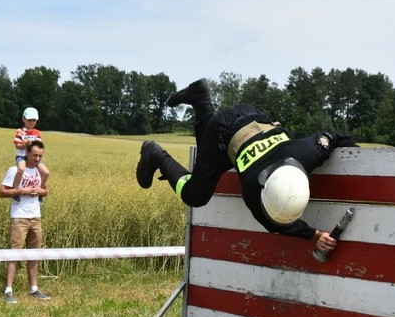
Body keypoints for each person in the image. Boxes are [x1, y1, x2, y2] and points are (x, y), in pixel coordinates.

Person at [136, 78, 357, 255]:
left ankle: (201, 99)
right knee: (195, 195)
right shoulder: (253, 191)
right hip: (223, 134)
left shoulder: (309, 152)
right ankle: (155, 154)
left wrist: (317, 235)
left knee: (209, 161)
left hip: (249, 114)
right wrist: (316, 235)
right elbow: (279, 225)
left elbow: (336, 138)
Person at [0, 140, 51, 303]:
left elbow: (46, 191)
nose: (37, 159)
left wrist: (42, 191)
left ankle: (34, 288)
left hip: (36, 217)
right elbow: (1, 192)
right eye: (34, 155)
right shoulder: (14, 170)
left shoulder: (39, 172)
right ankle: (8, 290)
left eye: (40, 156)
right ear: (27, 153)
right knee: (15, 254)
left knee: (34, 254)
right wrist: (23, 190)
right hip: (19, 217)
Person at [12, 107, 49, 202]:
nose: (32, 122)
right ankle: (15, 191)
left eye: (34, 120)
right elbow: (17, 145)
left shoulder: (37, 132)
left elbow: (39, 146)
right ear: (23, 119)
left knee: (45, 172)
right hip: (22, 156)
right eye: (29, 120)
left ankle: (40, 191)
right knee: (21, 169)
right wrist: (25, 144)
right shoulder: (20, 131)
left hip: (33, 157)